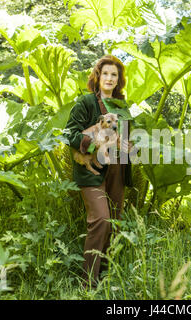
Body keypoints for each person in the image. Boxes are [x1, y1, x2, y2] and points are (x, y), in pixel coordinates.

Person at [64, 55, 132, 288]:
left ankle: (107, 276)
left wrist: (128, 146)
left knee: (114, 223)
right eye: (106, 74)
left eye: (114, 74)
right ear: (98, 76)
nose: (110, 78)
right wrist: (95, 146)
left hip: (117, 170)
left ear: (119, 79)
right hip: (92, 171)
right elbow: (69, 135)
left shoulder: (123, 107)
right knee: (101, 220)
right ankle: (88, 284)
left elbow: (123, 141)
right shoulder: (86, 103)